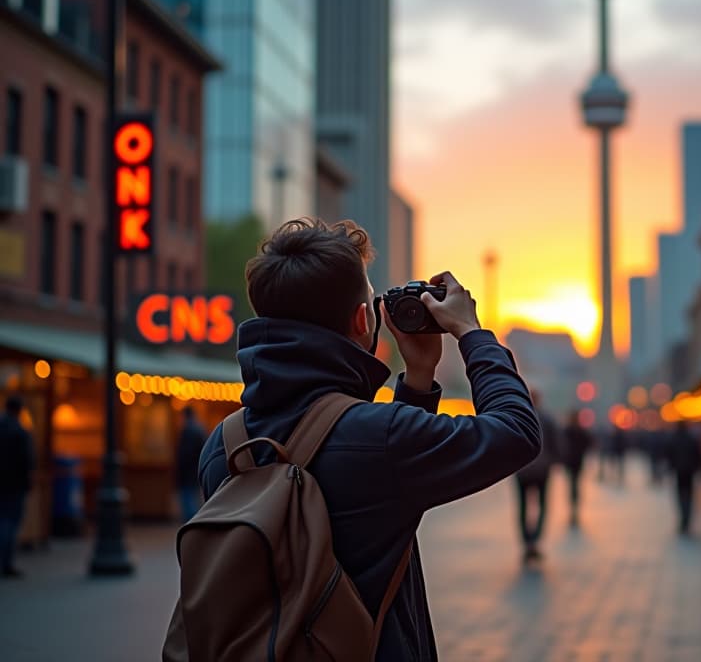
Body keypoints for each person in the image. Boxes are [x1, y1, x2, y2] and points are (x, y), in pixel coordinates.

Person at [198, 218, 539, 661]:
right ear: (363, 319)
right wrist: (472, 333)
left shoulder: (223, 445)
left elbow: (382, 503)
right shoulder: (381, 438)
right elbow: (517, 432)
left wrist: (419, 379)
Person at [515, 390, 561, 562]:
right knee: (542, 505)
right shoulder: (547, 418)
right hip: (542, 469)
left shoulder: (518, 416)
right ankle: (534, 540)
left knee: (523, 506)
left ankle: (528, 542)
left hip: (522, 469)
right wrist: (555, 461)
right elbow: (556, 442)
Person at [0, 396, 34, 578]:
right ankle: (6, 563)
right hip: (15, 485)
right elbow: (27, 461)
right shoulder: (20, 432)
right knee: (9, 523)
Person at [667, 421, 701, 535]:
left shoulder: (673, 439)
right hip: (690, 472)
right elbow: (700, 455)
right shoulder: (692, 439)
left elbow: (669, 455)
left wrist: (671, 466)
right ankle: (687, 519)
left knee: (680, 495)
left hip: (679, 471)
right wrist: (698, 467)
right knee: (689, 495)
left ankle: (683, 518)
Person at [561, 409, 593, 528]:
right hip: (577, 462)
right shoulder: (580, 430)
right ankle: (574, 510)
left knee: (572, 486)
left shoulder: (567, 430)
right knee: (575, 486)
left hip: (570, 462)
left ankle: (573, 510)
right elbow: (589, 444)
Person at [175, 406, 207, 522]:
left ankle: (191, 525)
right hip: (195, 471)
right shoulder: (200, 429)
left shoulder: (188, 430)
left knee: (188, 502)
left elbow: (185, 454)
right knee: (193, 499)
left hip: (187, 473)